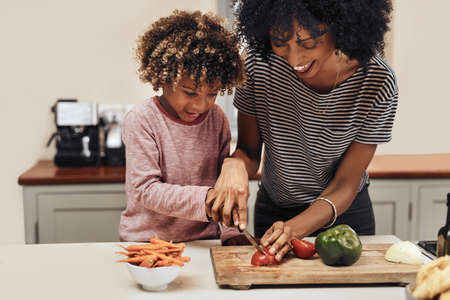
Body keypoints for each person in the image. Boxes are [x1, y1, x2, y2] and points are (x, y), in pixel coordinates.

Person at [206, 0, 398, 261]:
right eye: (280, 42)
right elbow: (249, 152)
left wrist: (296, 228)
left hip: (345, 218)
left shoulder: (377, 81)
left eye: (308, 43)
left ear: (341, 27)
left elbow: (345, 184)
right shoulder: (258, 65)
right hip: (274, 211)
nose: (295, 60)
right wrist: (234, 165)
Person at [119, 10, 248, 245]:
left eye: (212, 94)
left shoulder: (217, 119)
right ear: (162, 79)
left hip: (204, 241)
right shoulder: (142, 119)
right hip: (148, 243)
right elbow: (146, 190)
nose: (200, 105)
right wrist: (208, 200)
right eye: (189, 93)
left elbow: (224, 186)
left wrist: (232, 234)